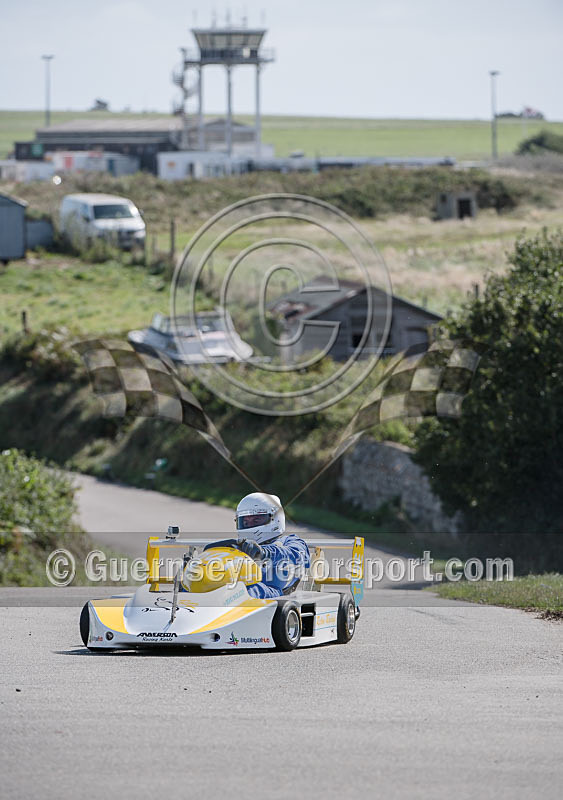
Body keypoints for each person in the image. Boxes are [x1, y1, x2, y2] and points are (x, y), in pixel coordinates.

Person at [205, 492, 310, 598]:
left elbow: (298, 555)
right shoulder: (239, 546)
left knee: (244, 591)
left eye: (256, 520)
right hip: (231, 587)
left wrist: (263, 552)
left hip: (270, 593)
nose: (250, 525)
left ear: (275, 518)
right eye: (246, 522)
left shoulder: (290, 541)